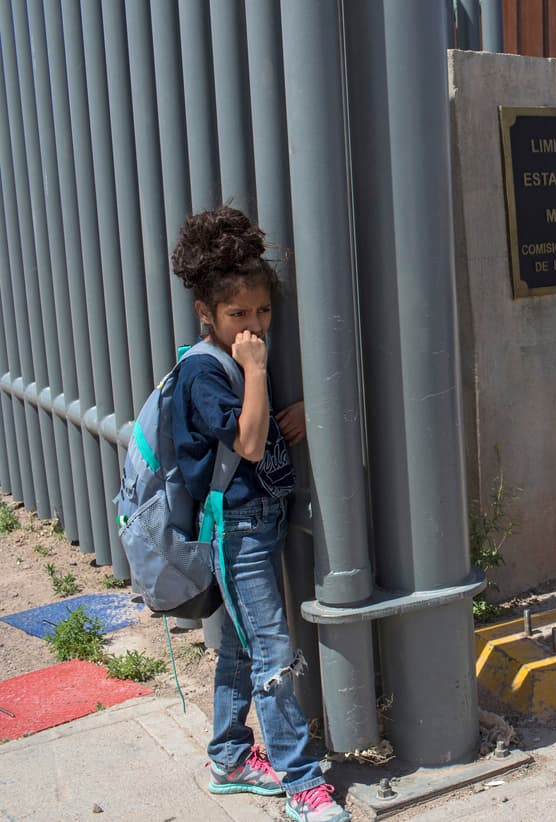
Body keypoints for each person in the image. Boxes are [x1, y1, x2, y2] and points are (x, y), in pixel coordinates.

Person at [169, 206, 350, 822]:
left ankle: (228, 758)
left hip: (260, 521)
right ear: (206, 312)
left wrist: (287, 413)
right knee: (273, 654)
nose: (253, 326)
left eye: (263, 312)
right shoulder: (203, 371)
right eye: (238, 315)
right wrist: (256, 368)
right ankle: (302, 782)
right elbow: (246, 444)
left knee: (244, 648)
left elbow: (253, 428)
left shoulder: (228, 361)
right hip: (238, 532)